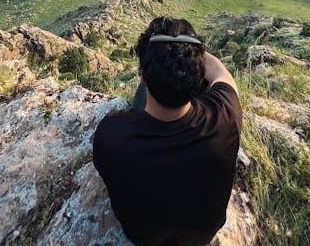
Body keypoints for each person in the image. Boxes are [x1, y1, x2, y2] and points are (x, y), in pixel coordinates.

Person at [93, 16, 242, 246]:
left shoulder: (110, 137)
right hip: (201, 237)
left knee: (142, 99)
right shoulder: (225, 121)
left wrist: (164, 57)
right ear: (197, 74)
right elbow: (222, 75)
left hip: (142, 237)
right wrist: (187, 54)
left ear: (143, 77)